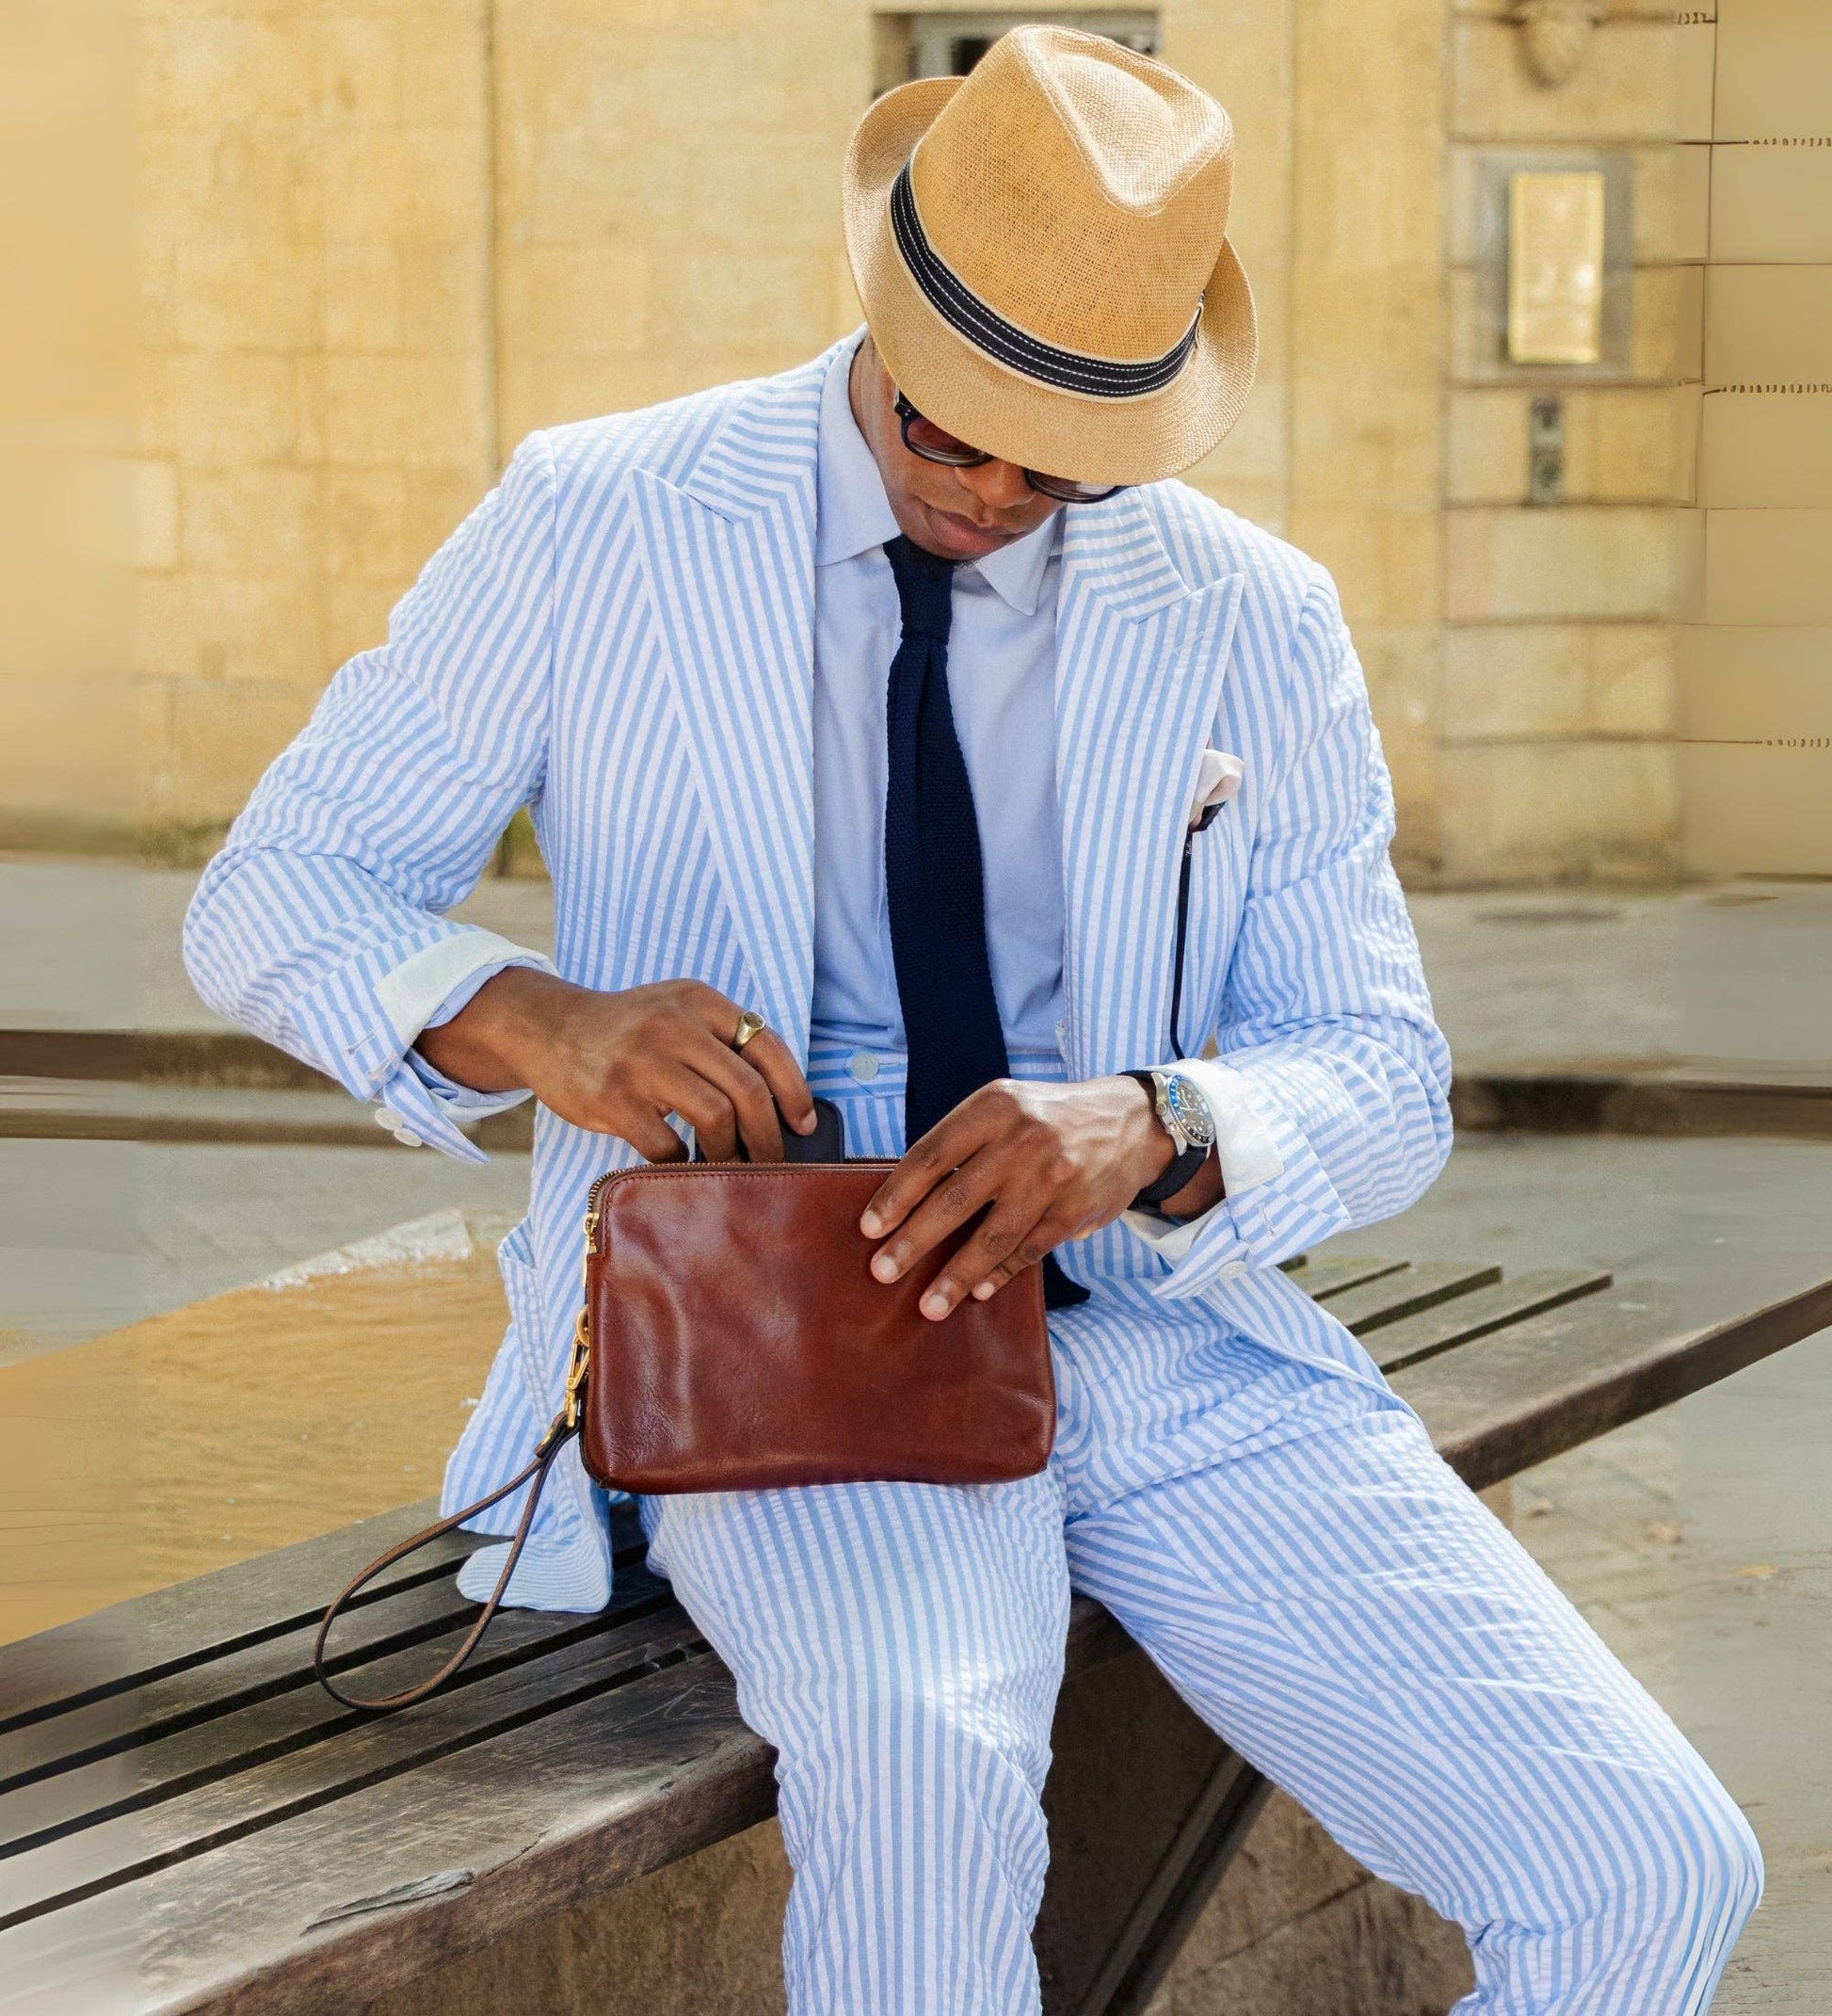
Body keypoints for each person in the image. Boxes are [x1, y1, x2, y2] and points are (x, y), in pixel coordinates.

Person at [184, 26, 1760, 2014]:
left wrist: (1158, 1120)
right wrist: (541, 1020)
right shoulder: (600, 518)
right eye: (954, 432)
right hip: (789, 1345)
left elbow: (1379, 1070)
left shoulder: (1248, 613)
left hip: (1164, 1342)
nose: (999, 491)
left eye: (1064, 455)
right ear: (884, 307)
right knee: (926, 1789)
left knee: (1647, 1869)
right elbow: (277, 890)